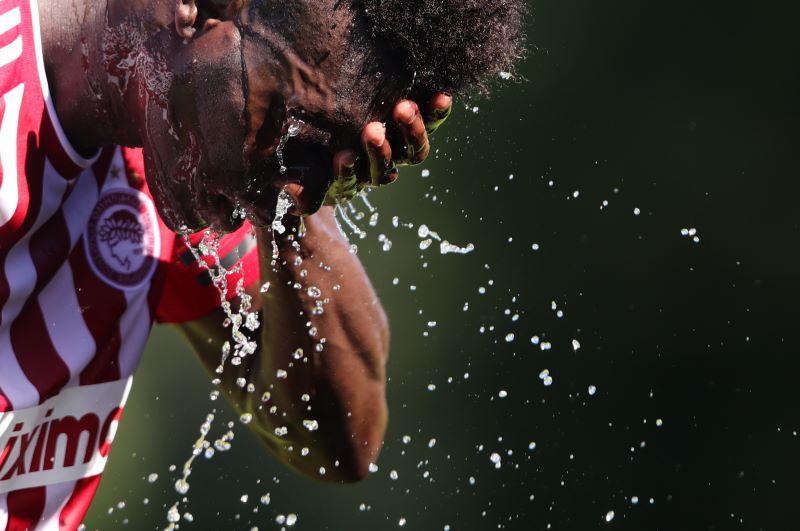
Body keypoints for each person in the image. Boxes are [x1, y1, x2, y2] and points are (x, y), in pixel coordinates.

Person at [0, 0, 524, 528]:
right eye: (288, 127)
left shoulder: (158, 140)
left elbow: (339, 442)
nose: (292, 186)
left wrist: (294, 209)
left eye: (317, 161)